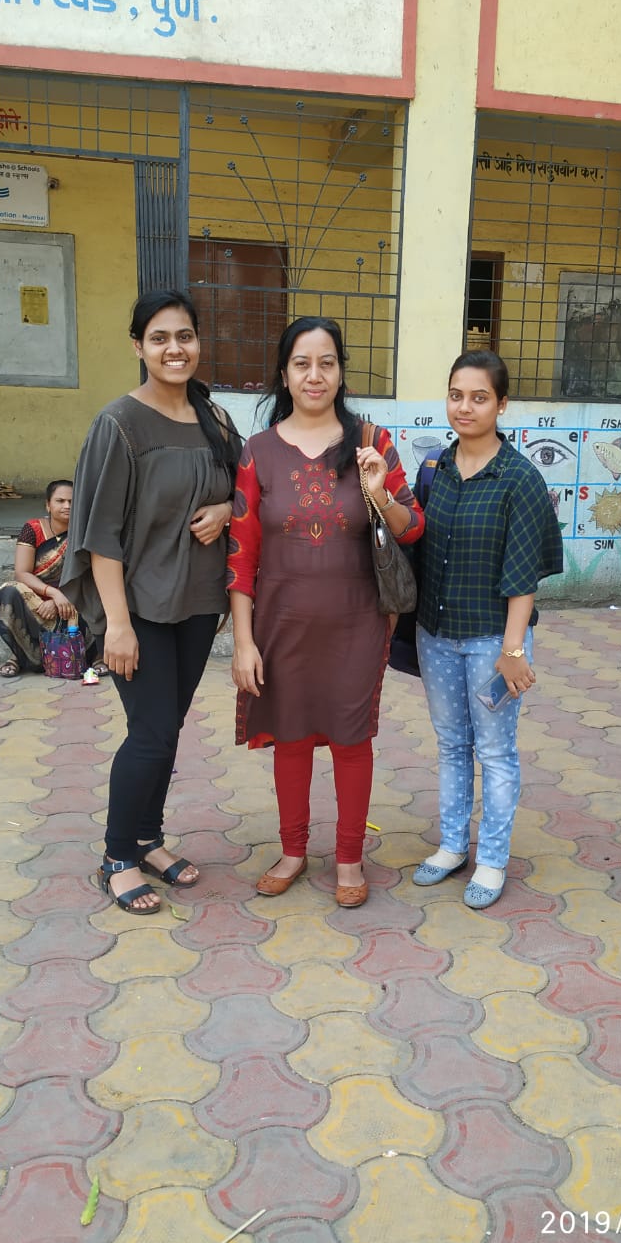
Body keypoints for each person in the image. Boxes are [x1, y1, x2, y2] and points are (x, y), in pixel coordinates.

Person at [228, 316, 423, 907]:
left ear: (341, 371)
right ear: (284, 375)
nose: (316, 376)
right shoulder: (257, 451)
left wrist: (377, 490)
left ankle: (347, 859)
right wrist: (242, 641)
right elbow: (240, 553)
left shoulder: (371, 441)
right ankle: (292, 851)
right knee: (289, 738)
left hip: (358, 621)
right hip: (279, 623)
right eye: (302, 364)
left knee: (350, 740)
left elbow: (412, 527)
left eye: (327, 363)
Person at [60, 289, 242, 915]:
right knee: (151, 731)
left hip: (195, 603)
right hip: (135, 608)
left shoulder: (214, 419)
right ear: (138, 346)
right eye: (160, 338)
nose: (174, 349)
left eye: (185, 336)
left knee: (167, 730)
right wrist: (115, 624)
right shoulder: (119, 424)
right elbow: (99, 532)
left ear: (197, 342)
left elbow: (244, 490)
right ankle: (116, 856)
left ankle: (148, 838)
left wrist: (224, 509)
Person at [412, 350, 563, 910]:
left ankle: (493, 858)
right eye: (456, 395)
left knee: (496, 751)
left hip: (493, 642)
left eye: (479, 397)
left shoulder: (520, 478)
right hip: (437, 634)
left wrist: (513, 649)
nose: (465, 407)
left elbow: (523, 575)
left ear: (501, 404)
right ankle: (452, 846)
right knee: (452, 745)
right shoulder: (436, 468)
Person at [0, 479, 101, 679]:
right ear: (48, 504)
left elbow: (93, 574)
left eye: (72, 501)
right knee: (9, 591)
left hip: (77, 597)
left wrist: (64, 597)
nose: (67, 506)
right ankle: (18, 656)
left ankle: (97, 655)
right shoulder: (33, 529)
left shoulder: (87, 531)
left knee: (102, 590)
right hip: (39, 598)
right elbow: (22, 573)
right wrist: (52, 594)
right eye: (60, 501)